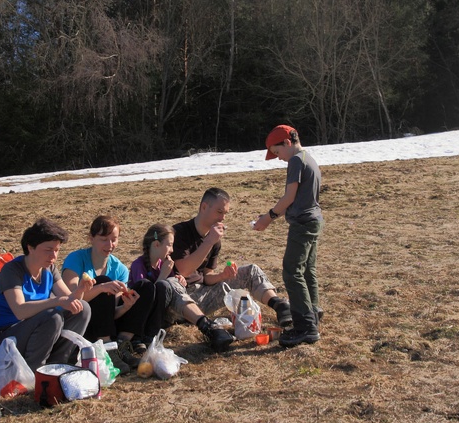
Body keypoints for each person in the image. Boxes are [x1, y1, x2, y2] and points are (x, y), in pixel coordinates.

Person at [170, 187, 293, 351]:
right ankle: (206, 327)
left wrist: (222, 275)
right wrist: (209, 242)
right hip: (181, 298)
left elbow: (206, 276)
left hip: (204, 294)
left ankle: (280, 306)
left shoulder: (215, 239)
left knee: (250, 270)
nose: (222, 218)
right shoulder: (179, 232)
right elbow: (183, 270)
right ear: (204, 207)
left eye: (225, 213)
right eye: (219, 211)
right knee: (174, 285)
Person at [253, 125, 323, 347]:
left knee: (292, 271)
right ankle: (312, 312)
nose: (278, 158)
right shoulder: (308, 158)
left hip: (302, 223)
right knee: (306, 269)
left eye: (277, 152)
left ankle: (305, 328)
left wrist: (268, 217)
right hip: (314, 221)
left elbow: (289, 196)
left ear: (287, 143)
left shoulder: (295, 161)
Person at [0, 218, 92, 371]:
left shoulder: (49, 269)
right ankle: (35, 371)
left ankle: (59, 364)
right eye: (48, 250)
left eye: (57, 250)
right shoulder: (12, 270)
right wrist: (56, 301)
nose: (54, 256)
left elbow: (70, 301)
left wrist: (80, 291)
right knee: (52, 317)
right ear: (30, 247)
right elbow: (20, 310)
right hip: (10, 336)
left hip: (39, 330)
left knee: (82, 308)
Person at [61, 215, 156, 374]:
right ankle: (106, 348)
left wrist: (126, 307)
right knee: (102, 281)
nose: (109, 245)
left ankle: (122, 345)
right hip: (82, 320)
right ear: (90, 238)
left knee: (146, 287)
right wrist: (101, 287)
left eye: (114, 239)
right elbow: (71, 299)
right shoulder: (76, 259)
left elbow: (110, 314)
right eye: (103, 239)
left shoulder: (120, 269)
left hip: (108, 324)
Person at [127, 224, 190, 342]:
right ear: (156, 244)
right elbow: (143, 298)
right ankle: (147, 336)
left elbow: (168, 290)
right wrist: (163, 275)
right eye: (170, 245)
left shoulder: (163, 264)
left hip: (160, 314)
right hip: (141, 317)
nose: (172, 250)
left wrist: (178, 280)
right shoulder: (138, 265)